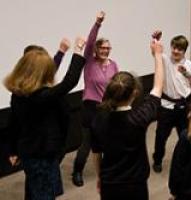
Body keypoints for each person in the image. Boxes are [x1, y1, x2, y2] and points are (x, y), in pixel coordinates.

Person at [5, 37, 86, 200]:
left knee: (33, 189)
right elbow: (69, 82)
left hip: (30, 152)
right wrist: (78, 50)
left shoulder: (19, 93)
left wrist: (13, 150)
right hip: (42, 155)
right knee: (43, 194)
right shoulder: (42, 97)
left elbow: (13, 124)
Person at [90, 37, 164, 200]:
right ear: (135, 94)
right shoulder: (139, 118)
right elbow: (158, 87)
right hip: (135, 184)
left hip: (110, 183)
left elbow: (96, 154)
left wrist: (100, 178)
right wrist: (157, 55)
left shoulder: (98, 119)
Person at [72, 11, 119, 187]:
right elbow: (90, 41)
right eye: (102, 48)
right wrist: (98, 23)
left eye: (108, 48)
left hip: (108, 108)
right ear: (96, 50)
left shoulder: (114, 64)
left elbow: (115, 86)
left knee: (108, 142)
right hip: (91, 107)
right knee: (87, 144)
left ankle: (106, 171)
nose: (105, 50)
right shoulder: (90, 62)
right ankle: (77, 171)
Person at [151, 30, 191, 173]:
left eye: (180, 49)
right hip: (166, 106)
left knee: (187, 137)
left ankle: (187, 161)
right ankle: (157, 160)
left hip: (184, 106)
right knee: (161, 137)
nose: (176, 51)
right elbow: (155, 52)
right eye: (174, 47)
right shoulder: (164, 60)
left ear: (184, 50)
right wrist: (155, 39)